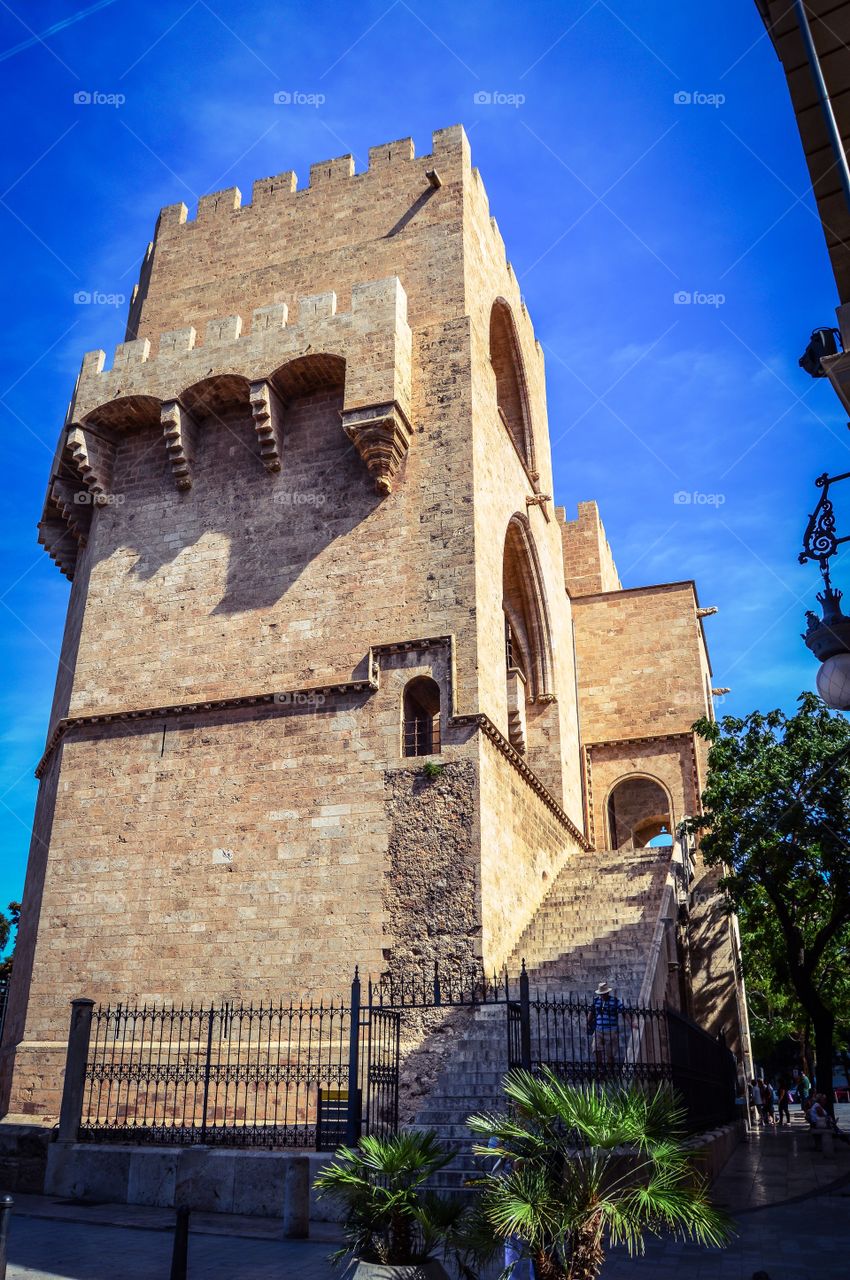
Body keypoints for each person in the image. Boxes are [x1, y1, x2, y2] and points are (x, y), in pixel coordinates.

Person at [587, 980, 627, 1069]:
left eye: (604, 993)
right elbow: (591, 1012)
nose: (602, 995)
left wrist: (631, 1023)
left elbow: (624, 1012)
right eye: (601, 994)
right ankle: (600, 1069)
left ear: (607, 993)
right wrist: (588, 1022)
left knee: (611, 1053)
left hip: (611, 1030)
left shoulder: (615, 1001)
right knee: (596, 1049)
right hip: (598, 1029)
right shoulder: (596, 1001)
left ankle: (610, 1071)